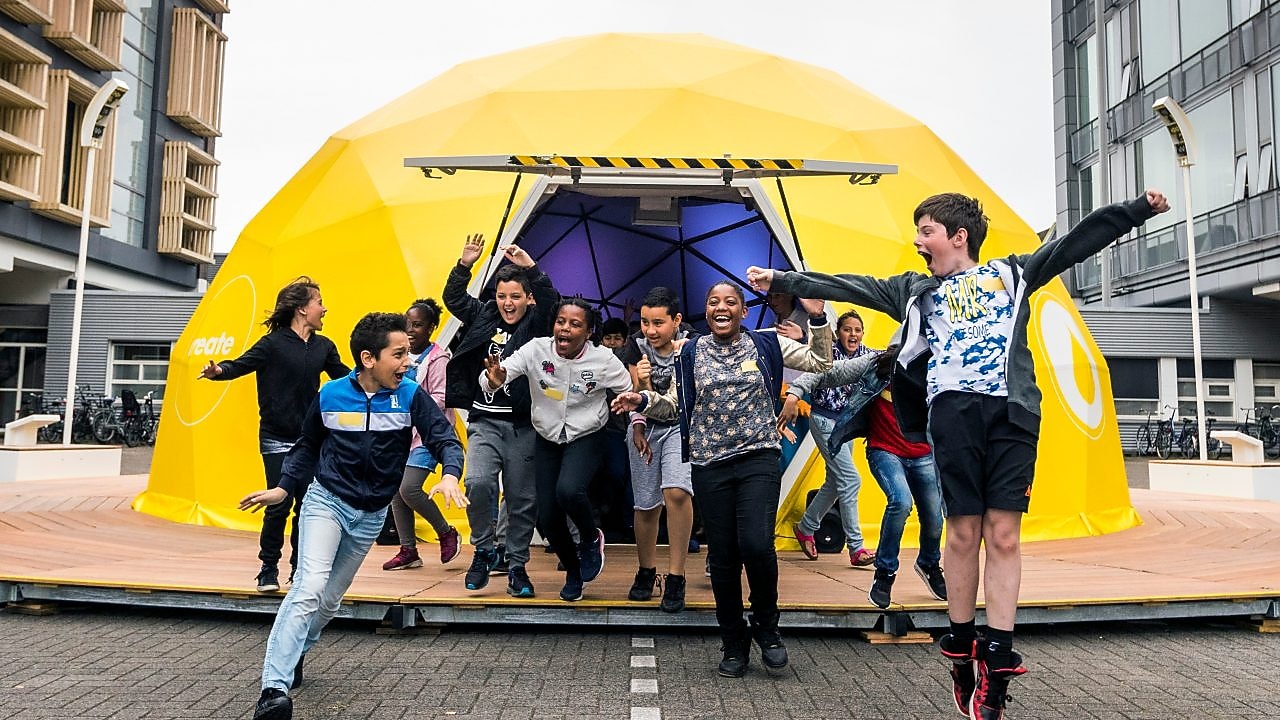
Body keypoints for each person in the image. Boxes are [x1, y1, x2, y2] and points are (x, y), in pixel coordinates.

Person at [747, 189, 1170, 719]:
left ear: (958, 236)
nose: (917, 241)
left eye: (926, 231)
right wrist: (783, 280)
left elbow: (1072, 245)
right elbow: (849, 284)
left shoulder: (1011, 274)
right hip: (952, 416)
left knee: (1005, 534)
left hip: (1012, 415)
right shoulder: (914, 291)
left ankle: (997, 657)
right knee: (964, 532)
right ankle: (962, 644)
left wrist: (1136, 211)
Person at [242, 312, 466, 720]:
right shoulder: (330, 395)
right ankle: (273, 691)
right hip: (326, 502)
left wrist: (450, 474)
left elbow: (444, 439)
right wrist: (283, 488)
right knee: (308, 587)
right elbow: (307, 446)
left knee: (328, 603)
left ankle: (294, 650)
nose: (408, 362)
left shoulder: (410, 395)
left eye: (408, 353)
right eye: (399, 354)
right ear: (368, 358)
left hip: (370, 515)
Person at [612, 280, 832, 678]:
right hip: (709, 464)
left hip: (758, 458)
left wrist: (817, 319)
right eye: (713, 301)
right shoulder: (690, 352)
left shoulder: (768, 344)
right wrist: (642, 399)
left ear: (743, 312)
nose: (721, 307)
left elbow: (821, 362)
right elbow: (674, 404)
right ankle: (733, 639)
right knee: (725, 556)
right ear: (706, 311)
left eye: (730, 301)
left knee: (757, 546)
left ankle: (767, 628)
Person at [469, 298, 632, 602]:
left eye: (575, 324)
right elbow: (497, 374)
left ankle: (590, 538)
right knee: (547, 516)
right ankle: (573, 572)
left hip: (586, 435)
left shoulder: (604, 359)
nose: (565, 329)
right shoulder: (536, 350)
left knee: (568, 491)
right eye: (561, 322)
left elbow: (628, 389)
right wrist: (494, 381)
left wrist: (629, 407)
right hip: (547, 437)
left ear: (589, 332)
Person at [198, 277, 349, 593]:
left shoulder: (324, 347)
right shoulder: (272, 344)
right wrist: (218, 371)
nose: (324, 308)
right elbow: (239, 365)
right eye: (319, 302)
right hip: (275, 437)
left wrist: (377, 376)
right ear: (302, 309)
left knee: (307, 506)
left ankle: (299, 571)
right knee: (278, 503)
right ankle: (268, 569)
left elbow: (346, 378)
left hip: (310, 441)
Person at [780, 344, 945, 610]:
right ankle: (885, 573)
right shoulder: (878, 363)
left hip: (922, 453)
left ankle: (929, 563)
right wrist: (795, 392)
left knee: (935, 517)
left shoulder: (938, 365)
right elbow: (827, 372)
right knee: (900, 502)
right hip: (885, 450)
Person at [442, 234, 560, 598]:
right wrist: (465, 264)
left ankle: (517, 567)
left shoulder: (538, 323)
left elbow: (553, 303)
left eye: (515, 296)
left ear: (527, 298)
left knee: (522, 498)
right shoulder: (485, 315)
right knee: (478, 483)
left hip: (523, 424)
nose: (508, 303)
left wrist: (531, 267)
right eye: (502, 296)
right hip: (484, 421)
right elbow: (453, 299)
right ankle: (483, 550)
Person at [618, 286, 694, 612]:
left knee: (677, 492)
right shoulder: (635, 347)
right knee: (647, 504)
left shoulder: (692, 345)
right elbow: (634, 395)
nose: (650, 330)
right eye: (645, 322)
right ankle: (646, 570)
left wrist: (677, 361)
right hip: (645, 427)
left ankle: (676, 576)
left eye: (658, 323)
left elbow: (688, 396)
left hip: (680, 426)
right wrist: (637, 426)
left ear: (676, 320)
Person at [788, 309, 878, 568]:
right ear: (839, 333)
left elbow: (889, 360)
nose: (853, 334)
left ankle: (806, 527)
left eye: (857, 330)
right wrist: (802, 335)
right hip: (824, 420)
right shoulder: (828, 354)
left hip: (846, 426)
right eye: (847, 329)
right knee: (850, 480)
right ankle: (856, 547)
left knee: (836, 483)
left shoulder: (868, 356)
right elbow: (810, 357)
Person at [382, 298, 462, 570]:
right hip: (402, 433)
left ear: (431, 328)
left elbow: (442, 398)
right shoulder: (397, 355)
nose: (410, 329)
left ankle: (446, 532)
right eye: (407, 324)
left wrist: (414, 400)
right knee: (396, 490)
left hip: (428, 435)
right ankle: (408, 550)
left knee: (409, 488)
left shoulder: (438, 359)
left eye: (417, 325)